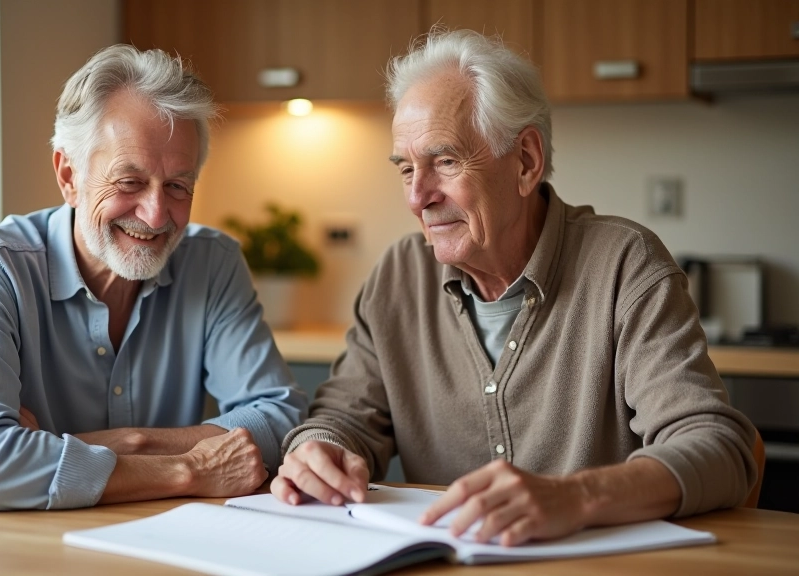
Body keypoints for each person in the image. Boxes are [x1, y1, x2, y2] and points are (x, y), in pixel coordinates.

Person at [272, 30, 757, 546]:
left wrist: (575, 497)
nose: (417, 198)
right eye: (407, 169)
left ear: (526, 160)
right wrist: (318, 449)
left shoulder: (625, 265)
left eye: (445, 161)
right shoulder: (398, 276)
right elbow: (344, 417)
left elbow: (718, 447)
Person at [0, 45, 307, 510]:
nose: (156, 215)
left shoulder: (212, 263)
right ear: (69, 176)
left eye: (178, 186)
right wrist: (190, 467)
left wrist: (96, 445)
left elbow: (281, 419)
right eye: (129, 182)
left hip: (130, 532)